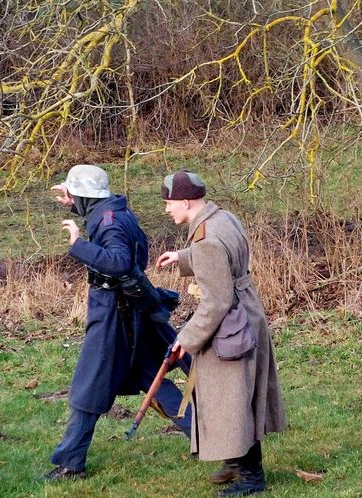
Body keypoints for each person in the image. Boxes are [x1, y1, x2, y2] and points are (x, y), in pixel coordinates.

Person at [44, 164, 192, 481]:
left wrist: (76, 244)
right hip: (131, 311)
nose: (69, 199)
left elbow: (120, 262)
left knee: (89, 387)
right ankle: (208, 438)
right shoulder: (115, 211)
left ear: (85, 197)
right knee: (152, 377)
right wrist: (72, 195)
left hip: (114, 316)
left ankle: (71, 463)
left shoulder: (108, 221)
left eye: (72, 194)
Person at [156, 171, 287, 497]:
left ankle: (251, 478)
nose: (167, 210)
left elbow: (216, 302)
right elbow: (223, 256)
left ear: (186, 202)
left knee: (231, 401)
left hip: (230, 326)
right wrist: (184, 257)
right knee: (235, 397)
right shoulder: (222, 218)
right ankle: (235, 462)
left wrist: (185, 340)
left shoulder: (206, 240)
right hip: (246, 314)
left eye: (169, 204)